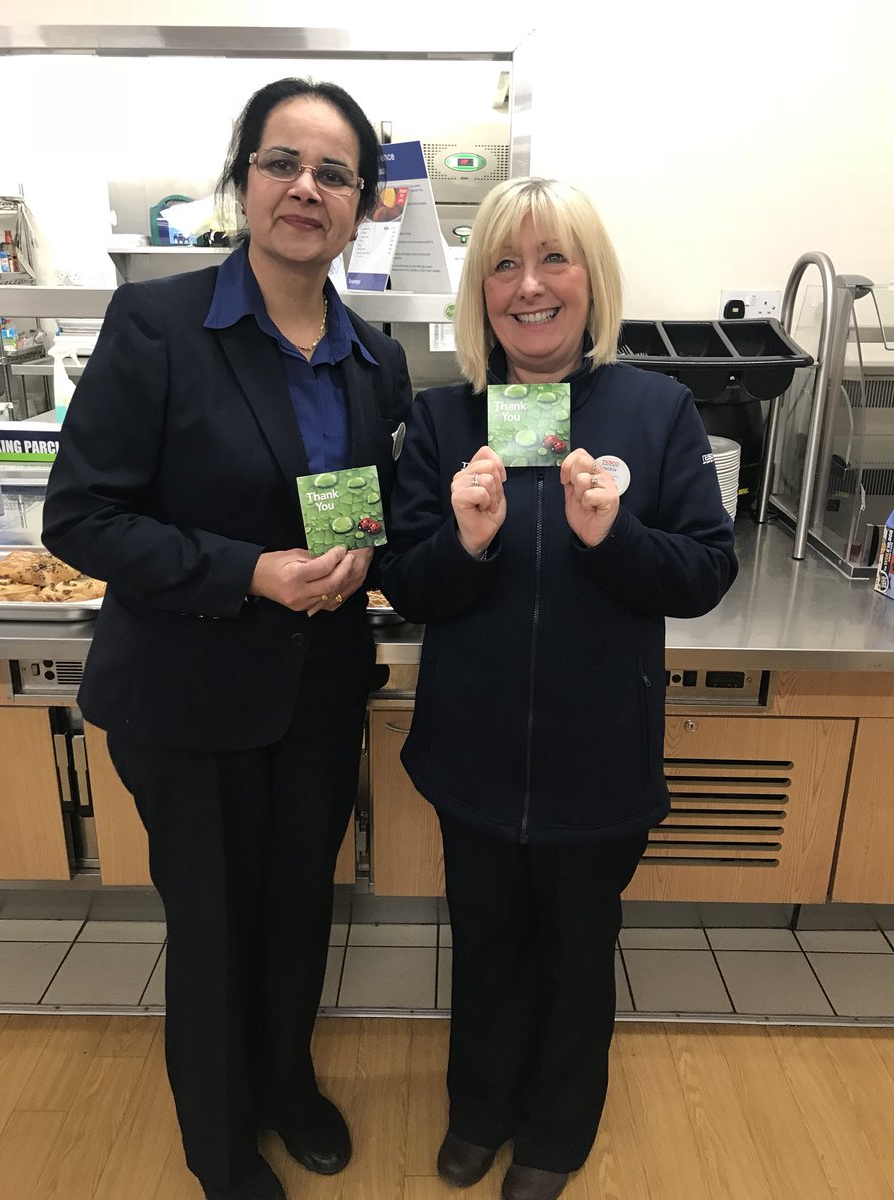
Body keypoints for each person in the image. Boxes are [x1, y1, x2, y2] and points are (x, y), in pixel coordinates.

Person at [42, 78, 412, 1200]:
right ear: (243, 179)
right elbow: (82, 515)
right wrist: (246, 571)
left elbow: (361, 511)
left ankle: (286, 1085)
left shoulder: (371, 358)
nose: (306, 188)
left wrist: (369, 557)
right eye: (281, 163)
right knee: (211, 927)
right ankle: (218, 1143)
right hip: (188, 695)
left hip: (316, 692)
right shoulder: (160, 325)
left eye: (334, 173)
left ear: (361, 204)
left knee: (301, 907)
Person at [380, 177, 737, 1200]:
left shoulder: (658, 409)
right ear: (480, 293)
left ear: (593, 280)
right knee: (486, 942)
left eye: (553, 260)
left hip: (599, 760)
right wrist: (466, 541)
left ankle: (556, 1132)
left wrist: (613, 540)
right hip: (473, 756)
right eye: (503, 264)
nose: (529, 286)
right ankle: (478, 1109)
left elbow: (706, 573)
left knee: (580, 954)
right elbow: (409, 582)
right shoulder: (446, 418)